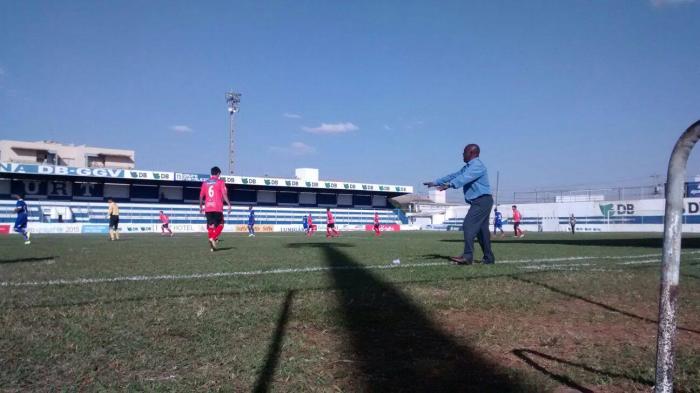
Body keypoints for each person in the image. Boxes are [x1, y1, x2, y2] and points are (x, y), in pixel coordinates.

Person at [424, 144, 494, 265]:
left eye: (464, 152)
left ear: (472, 153)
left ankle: (467, 256)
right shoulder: (468, 166)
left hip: (481, 201)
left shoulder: (477, 166)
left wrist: (449, 185)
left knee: (468, 225)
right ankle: (489, 258)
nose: (462, 154)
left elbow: (464, 178)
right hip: (482, 201)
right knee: (482, 231)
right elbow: (455, 175)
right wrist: (436, 182)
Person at [199, 166, 232, 251]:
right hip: (217, 207)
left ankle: (212, 247)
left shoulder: (205, 183)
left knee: (211, 226)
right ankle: (213, 238)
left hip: (208, 207)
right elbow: (224, 195)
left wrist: (200, 206)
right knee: (221, 224)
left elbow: (201, 196)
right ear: (218, 173)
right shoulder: (220, 182)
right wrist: (229, 204)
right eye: (219, 174)